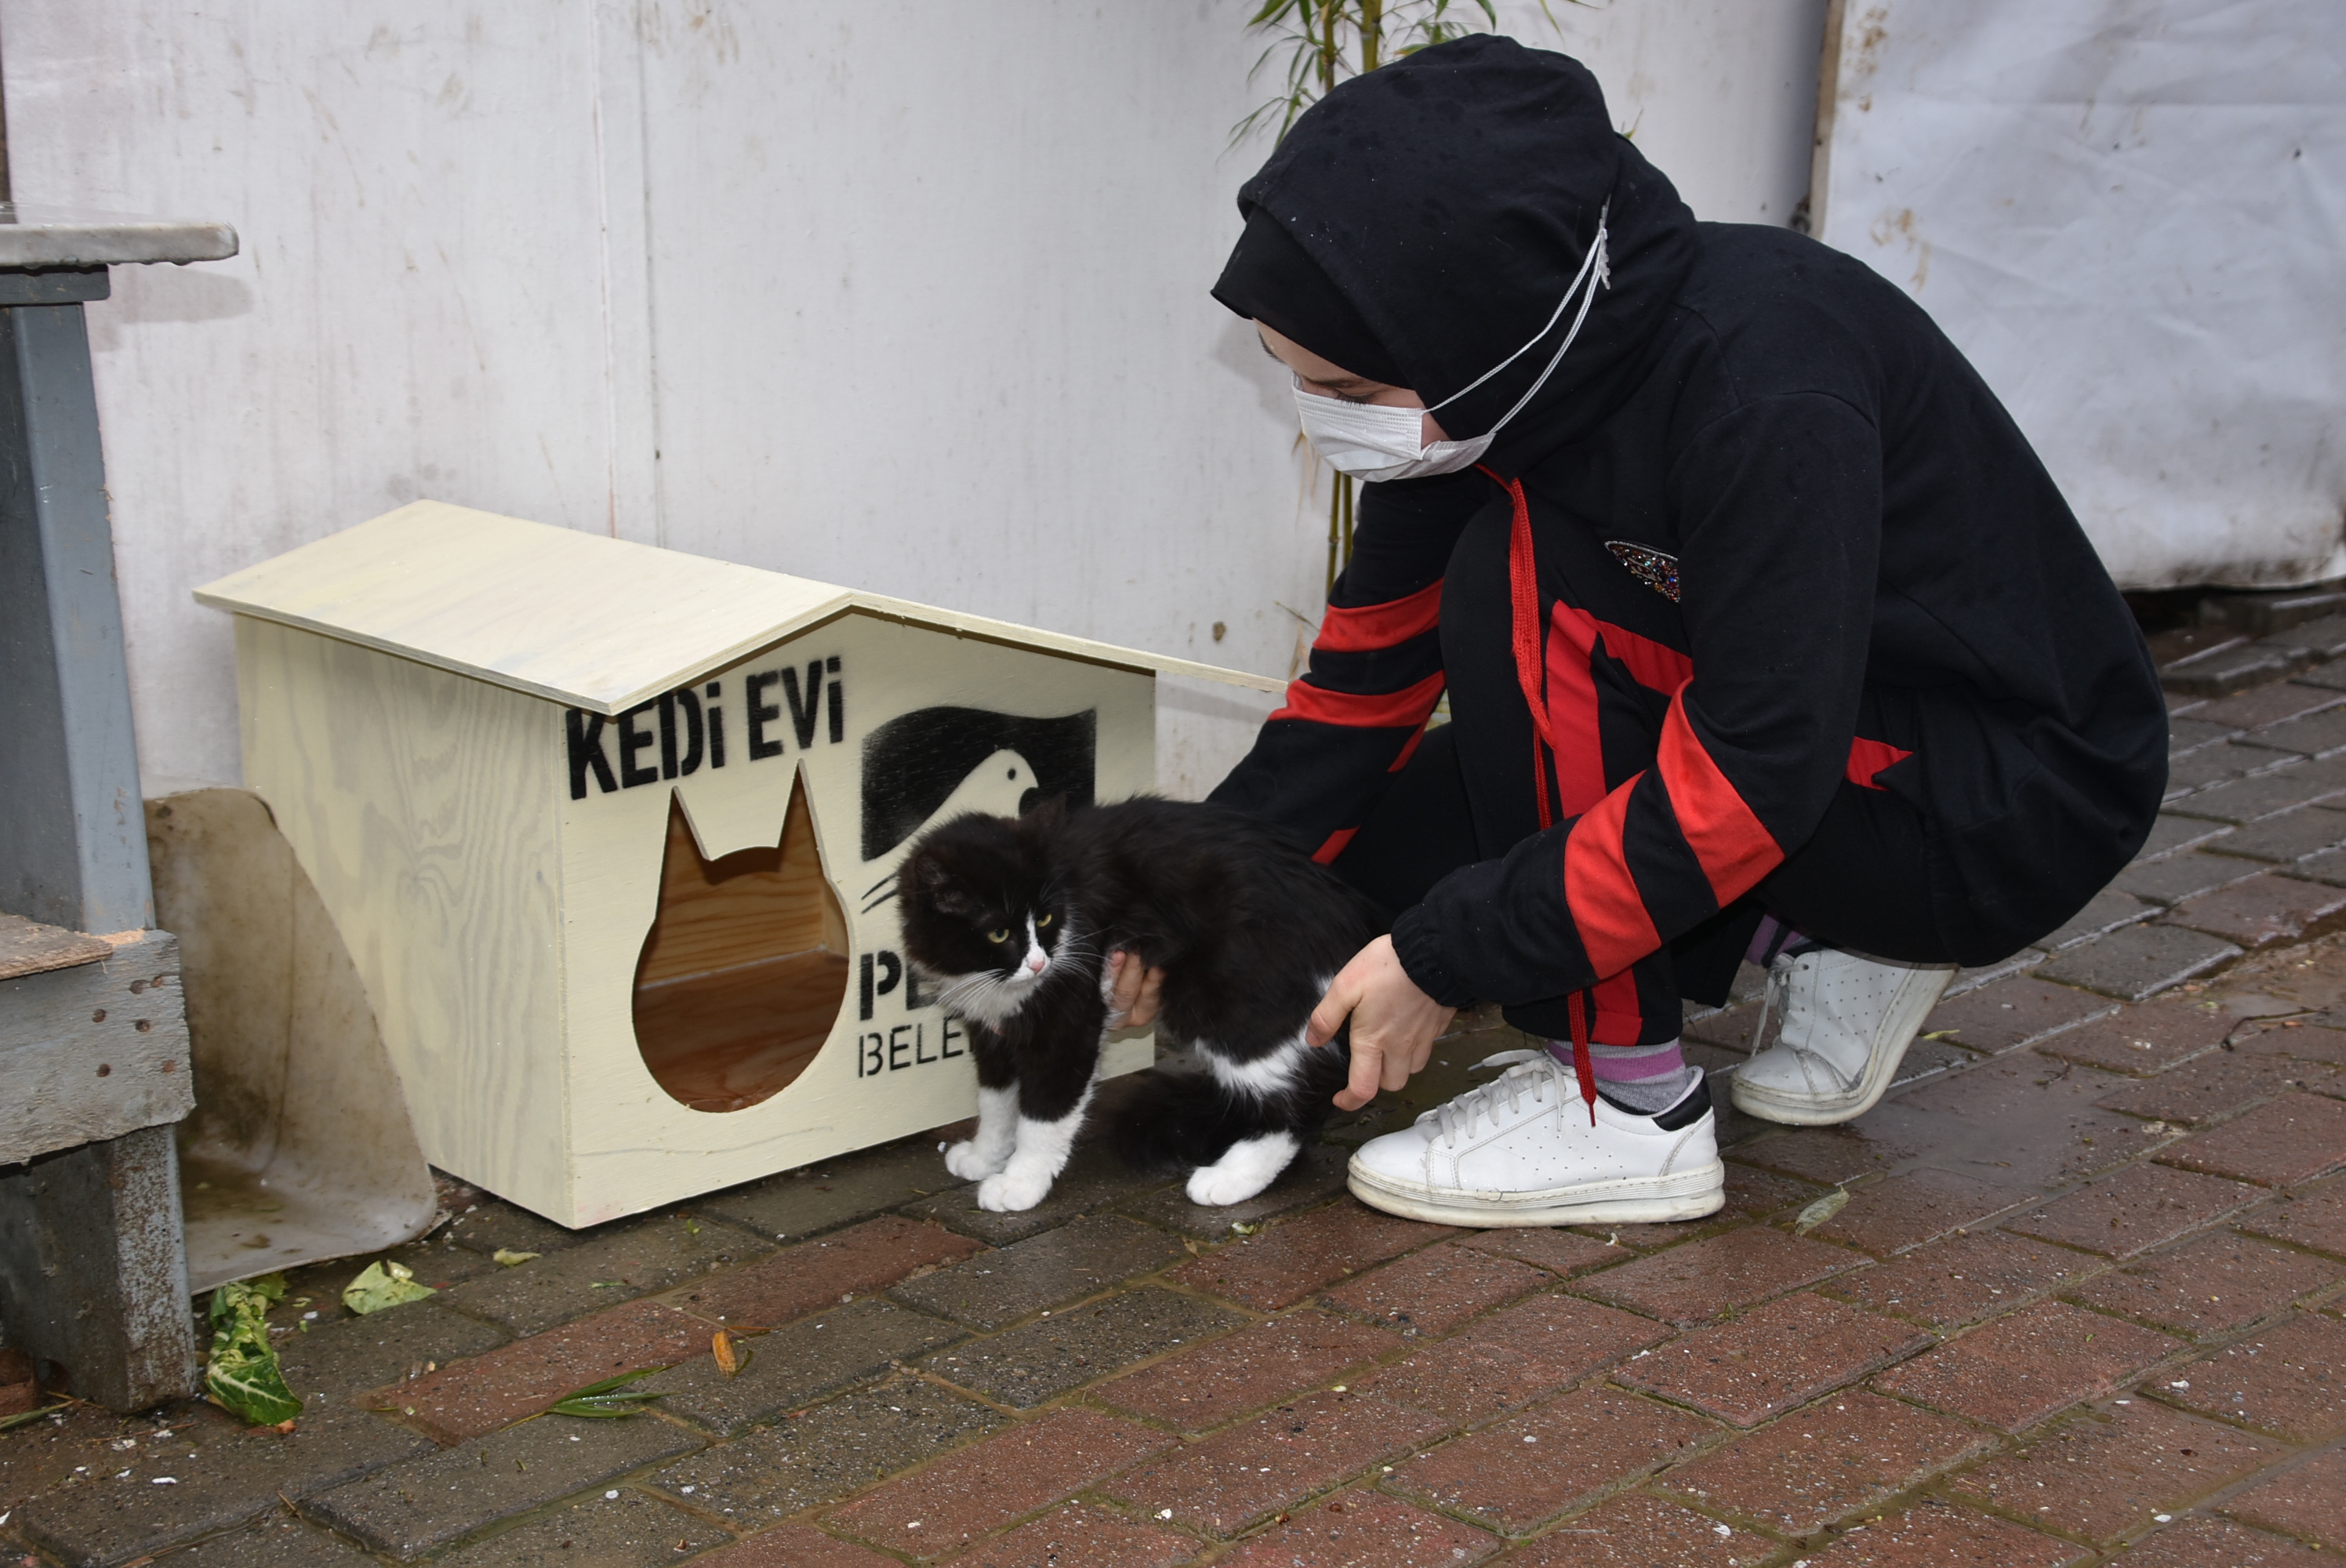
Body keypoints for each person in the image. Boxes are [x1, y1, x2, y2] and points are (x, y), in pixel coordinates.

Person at [1109, 34, 2165, 1226]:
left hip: (1998, 803)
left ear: (1479, 335)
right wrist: (1183, 893)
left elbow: (1755, 773)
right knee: (1362, 860)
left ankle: (1623, 1104)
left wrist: (1444, 958)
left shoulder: (1764, 390)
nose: (1322, 426)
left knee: (1516, 607)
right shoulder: (1509, 377)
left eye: (1350, 397)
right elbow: (1361, 687)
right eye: (1294, 380)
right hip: (1827, 739)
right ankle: (1824, 937)